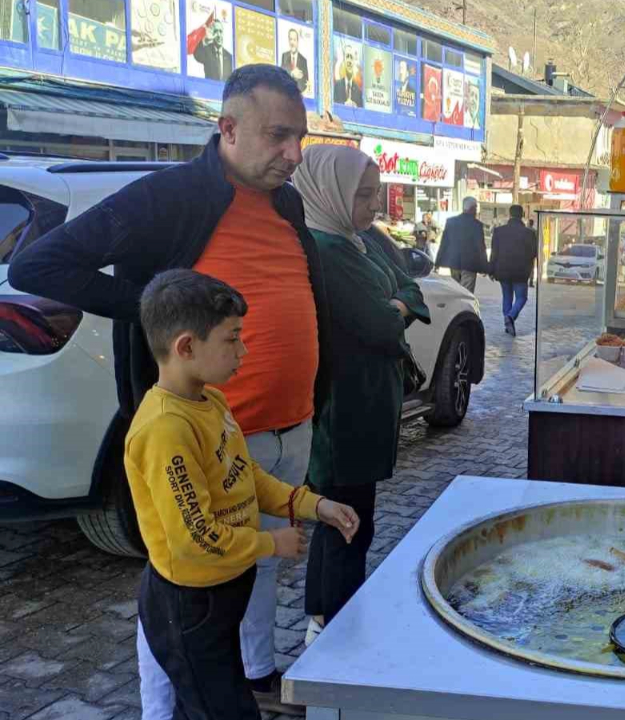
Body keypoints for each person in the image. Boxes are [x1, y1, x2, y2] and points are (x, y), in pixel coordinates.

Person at [10, 64, 330, 716]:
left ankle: (258, 674)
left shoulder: (288, 202)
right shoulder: (171, 196)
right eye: (277, 136)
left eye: (299, 137)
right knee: (182, 590)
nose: (293, 154)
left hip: (287, 425)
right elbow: (38, 263)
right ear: (228, 129)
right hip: (202, 435)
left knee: (261, 563)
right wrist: (155, 311)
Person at [128, 269, 358, 720]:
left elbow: (244, 474)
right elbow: (194, 539)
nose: (244, 351)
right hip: (189, 605)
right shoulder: (166, 429)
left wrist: (313, 505)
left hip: (221, 599)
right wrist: (269, 544)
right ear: (186, 347)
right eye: (232, 339)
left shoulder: (209, 402)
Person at [292, 145, 431, 645]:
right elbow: (377, 323)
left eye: (377, 193)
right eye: (365, 195)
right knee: (348, 521)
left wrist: (395, 303)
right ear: (331, 193)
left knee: (344, 515)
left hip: (368, 402)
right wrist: (394, 306)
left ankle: (321, 616)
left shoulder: (359, 240)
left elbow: (412, 291)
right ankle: (338, 632)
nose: (375, 206)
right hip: (343, 407)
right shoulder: (326, 250)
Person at [489, 204, 537, 335]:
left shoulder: (499, 231)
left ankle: (507, 321)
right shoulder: (529, 233)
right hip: (521, 271)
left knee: (507, 297)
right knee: (521, 297)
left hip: (502, 270)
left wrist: (491, 270)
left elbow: (494, 253)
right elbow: (534, 252)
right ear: (522, 215)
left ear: (510, 215)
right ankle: (511, 316)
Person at [436, 196, 487, 292]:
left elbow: (444, 242)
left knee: (456, 291)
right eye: (476, 208)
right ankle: (464, 306)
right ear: (472, 208)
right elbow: (481, 247)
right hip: (470, 264)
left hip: (454, 262)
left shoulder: (451, 222)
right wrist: (485, 267)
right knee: (466, 293)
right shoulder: (477, 225)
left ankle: (456, 307)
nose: (476, 211)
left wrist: (438, 262)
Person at [279, 28, 310, 95]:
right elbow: (281, 74)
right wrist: (292, 73)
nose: (292, 42)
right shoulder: (284, 56)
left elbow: (306, 82)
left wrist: (300, 77)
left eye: (294, 40)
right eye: (290, 39)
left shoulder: (303, 60)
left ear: (297, 41)